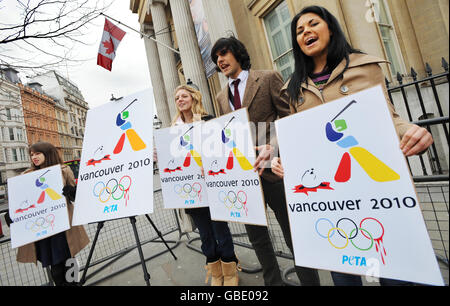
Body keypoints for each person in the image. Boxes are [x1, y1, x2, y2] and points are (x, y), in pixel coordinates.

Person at [271, 5, 434, 286]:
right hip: (330, 201)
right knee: (343, 275)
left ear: (330, 28)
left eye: (313, 24)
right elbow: (302, 141)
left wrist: (412, 131)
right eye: (299, 30)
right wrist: (284, 160)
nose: (305, 32)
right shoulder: (293, 88)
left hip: (374, 190)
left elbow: (388, 117)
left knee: (396, 273)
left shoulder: (363, 66)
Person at [210, 36, 320, 286]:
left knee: (294, 235)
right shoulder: (220, 96)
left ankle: (310, 282)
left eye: (224, 53)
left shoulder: (268, 77)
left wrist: (275, 149)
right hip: (244, 179)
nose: (220, 60)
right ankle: (273, 283)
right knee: (258, 238)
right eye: (216, 57)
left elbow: (289, 119)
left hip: (274, 171)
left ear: (238, 53)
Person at [162, 84, 240, 286]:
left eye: (184, 95)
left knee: (220, 231)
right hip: (192, 192)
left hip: (212, 188)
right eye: (177, 97)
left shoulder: (208, 121)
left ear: (193, 97)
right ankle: (215, 272)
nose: (180, 99)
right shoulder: (172, 130)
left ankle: (230, 271)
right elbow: (171, 157)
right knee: (205, 235)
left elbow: (222, 148)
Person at [4, 142, 90, 286]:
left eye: (37, 153)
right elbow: (22, 200)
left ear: (48, 153)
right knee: (56, 269)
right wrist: (12, 213)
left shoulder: (64, 170)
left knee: (69, 262)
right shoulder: (26, 175)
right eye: (32, 155)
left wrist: (71, 191)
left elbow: (77, 197)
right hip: (43, 229)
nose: (34, 157)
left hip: (63, 228)